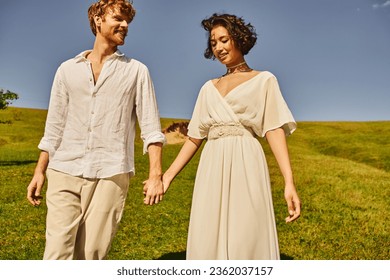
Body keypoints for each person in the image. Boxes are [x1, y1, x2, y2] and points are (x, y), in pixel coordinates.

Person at [153, 13, 301, 260]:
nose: (219, 48)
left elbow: (273, 129)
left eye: (224, 40)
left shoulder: (264, 80)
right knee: (208, 231)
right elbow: (194, 138)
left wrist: (288, 181)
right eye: (213, 43)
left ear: (239, 39)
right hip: (212, 165)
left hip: (246, 161)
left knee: (247, 232)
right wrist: (167, 177)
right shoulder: (207, 88)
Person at [26, 0, 165, 260]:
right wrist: (39, 170)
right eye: (118, 18)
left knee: (90, 255)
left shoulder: (136, 71)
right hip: (64, 169)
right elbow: (54, 126)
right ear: (98, 19)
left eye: (127, 21)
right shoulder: (67, 70)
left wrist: (156, 174)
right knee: (56, 253)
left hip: (111, 172)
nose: (124, 25)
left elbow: (151, 128)